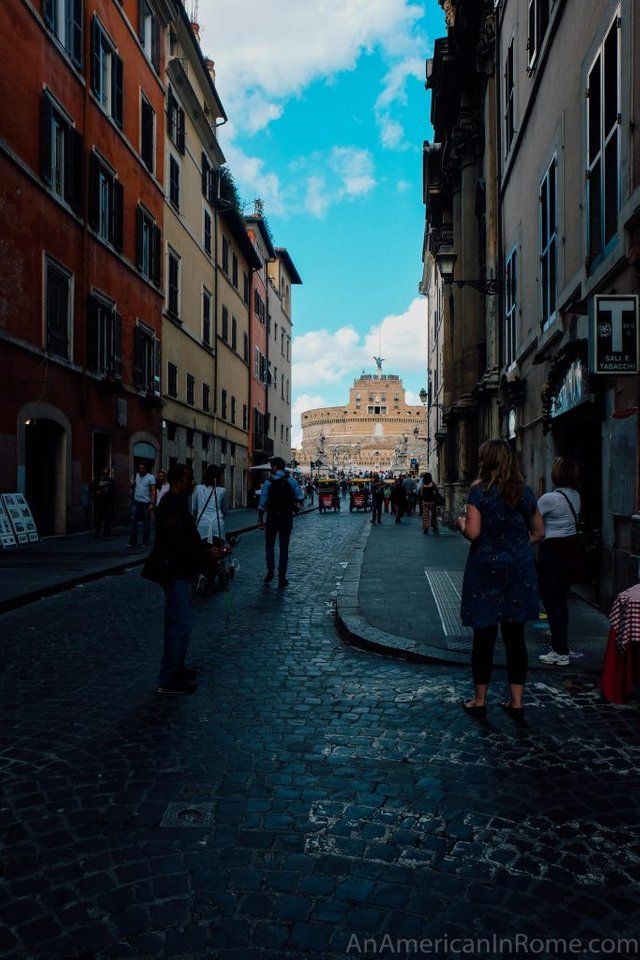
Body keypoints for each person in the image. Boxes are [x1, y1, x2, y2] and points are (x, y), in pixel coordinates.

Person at [457, 439, 544, 720]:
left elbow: (473, 533)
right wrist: (517, 545)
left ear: (487, 461)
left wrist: (460, 524)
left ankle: (479, 699)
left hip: (485, 571)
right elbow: (539, 532)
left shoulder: (479, 492)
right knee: (515, 637)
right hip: (518, 570)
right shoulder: (524, 492)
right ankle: (516, 701)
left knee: (484, 637)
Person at [152, 463, 216, 694]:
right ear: (178, 481)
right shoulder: (170, 505)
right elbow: (176, 542)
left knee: (180, 624)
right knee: (180, 625)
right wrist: (204, 552)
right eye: (190, 480)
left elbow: (186, 537)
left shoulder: (178, 503)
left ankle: (176, 669)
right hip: (174, 570)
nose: (193, 484)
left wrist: (206, 550)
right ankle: (167, 679)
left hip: (180, 569)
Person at [536, 456, 582, 667]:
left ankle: (559, 651)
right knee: (561, 601)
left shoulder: (549, 499)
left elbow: (533, 521)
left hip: (553, 552)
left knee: (552, 602)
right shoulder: (575, 496)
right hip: (571, 551)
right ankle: (562, 646)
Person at [258, 457, 304, 587]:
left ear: (275, 467)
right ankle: (282, 577)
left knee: (269, 544)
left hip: (272, 517)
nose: (270, 469)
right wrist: (291, 500)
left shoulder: (269, 482)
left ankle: (270, 571)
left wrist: (260, 519)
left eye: (271, 466)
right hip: (286, 517)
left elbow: (262, 504)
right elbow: (300, 497)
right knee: (284, 548)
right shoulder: (291, 481)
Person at [193, 465, 227, 543]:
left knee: (202, 550)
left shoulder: (198, 488)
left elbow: (194, 508)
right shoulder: (222, 491)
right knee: (219, 550)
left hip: (202, 524)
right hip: (217, 525)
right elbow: (224, 510)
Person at [128, 463, 156, 548]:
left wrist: (152, 503)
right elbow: (131, 486)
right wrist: (131, 484)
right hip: (136, 502)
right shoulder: (136, 475)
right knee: (133, 521)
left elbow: (153, 490)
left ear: (146, 469)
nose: (141, 470)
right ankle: (132, 541)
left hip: (146, 503)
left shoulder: (150, 477)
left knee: (146, 522)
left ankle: (145, 541)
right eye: (140, 468)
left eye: (142, 468)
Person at [90, 465, 115, 539]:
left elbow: (113, 492)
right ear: (102, 472)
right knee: (97, 518)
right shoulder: (97, 480)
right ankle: (97, 532)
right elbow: (91, 489)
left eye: (108, 472)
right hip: (98, 503)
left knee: (107, 519)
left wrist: (105, 492)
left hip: (107, 503)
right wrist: (95, 493)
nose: (106, 473)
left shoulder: (111, 481)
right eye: (105, 471)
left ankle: (107, 534)